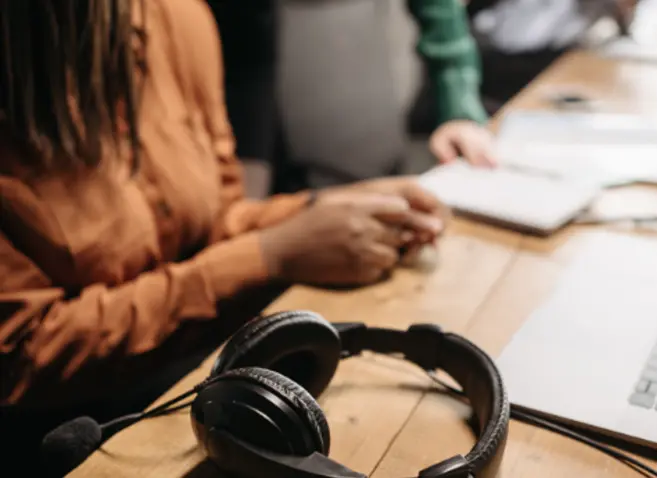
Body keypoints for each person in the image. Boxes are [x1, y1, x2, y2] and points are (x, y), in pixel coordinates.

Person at [0, 0, 449, 468]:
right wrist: (271, 255)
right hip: (80, 431)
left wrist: (323, 211)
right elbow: (24, 356)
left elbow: (212, 221)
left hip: (199, 376)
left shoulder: (175, 17)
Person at [207, 0, 497, 194]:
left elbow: (441, 15)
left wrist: (458, 109)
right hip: (267, 137)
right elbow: (244, 50)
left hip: (374, 123)